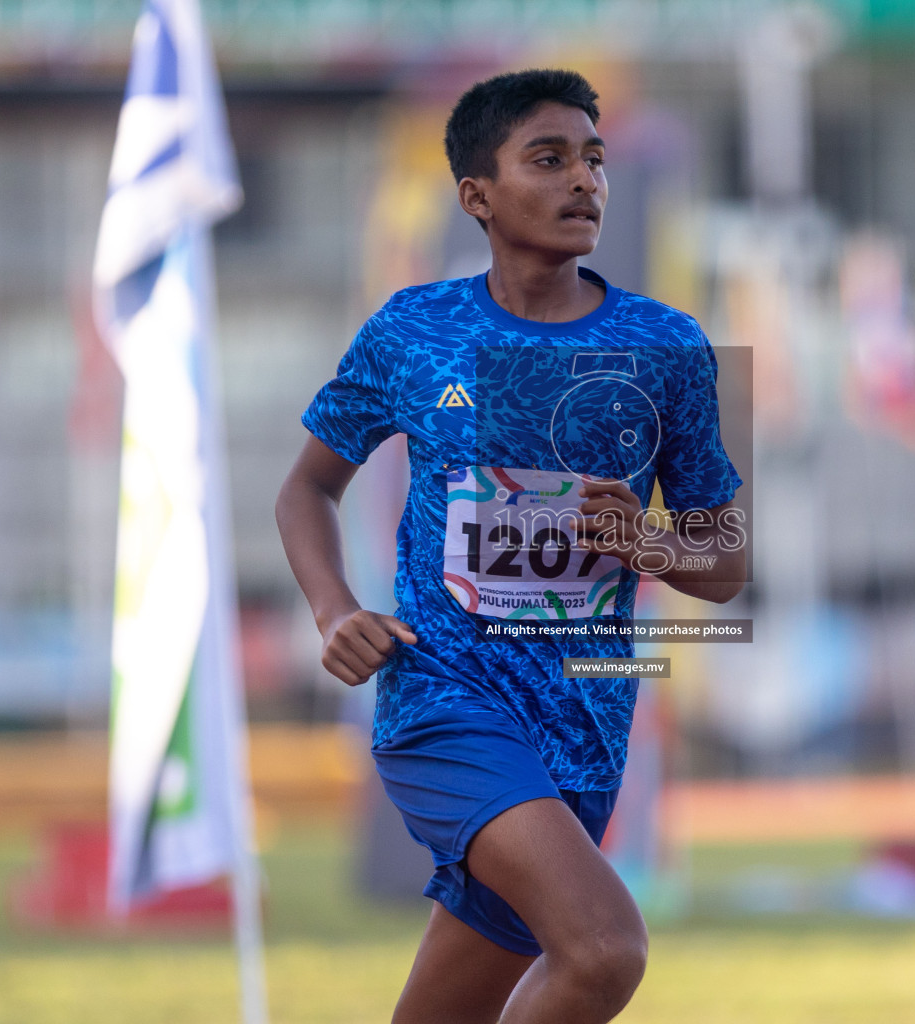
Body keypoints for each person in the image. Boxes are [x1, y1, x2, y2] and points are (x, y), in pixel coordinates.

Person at [276, 68, 746, 1024]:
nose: (585, 181)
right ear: (476, 196)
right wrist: (334, 609)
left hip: (585, 722)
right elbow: (306, 489)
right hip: (446, 701)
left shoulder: (669, 347)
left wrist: (647, 541)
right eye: (549, 159)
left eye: (595, 159)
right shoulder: (415, 329)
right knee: (605, 950)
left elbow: (726, 567)